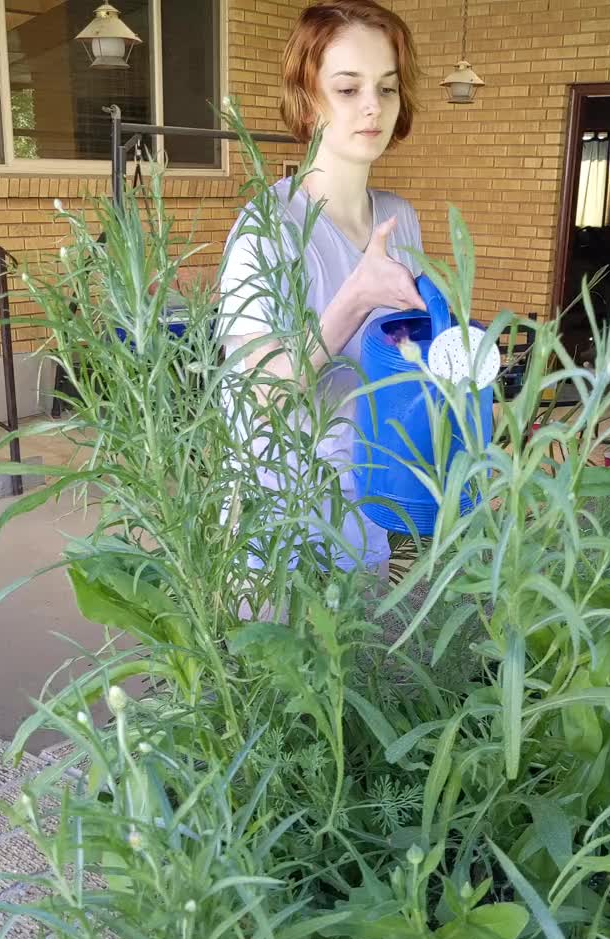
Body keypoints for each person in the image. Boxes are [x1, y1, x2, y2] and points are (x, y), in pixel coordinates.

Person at [220, 0, 425, 573]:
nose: (372, 107)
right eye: (347, 87)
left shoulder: (399, 219)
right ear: (309, 100)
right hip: (282, 526)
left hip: (370, 509)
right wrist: (355, 297)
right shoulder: (270, 227)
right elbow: (262, 395)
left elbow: (406, 356)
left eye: (387, 88)